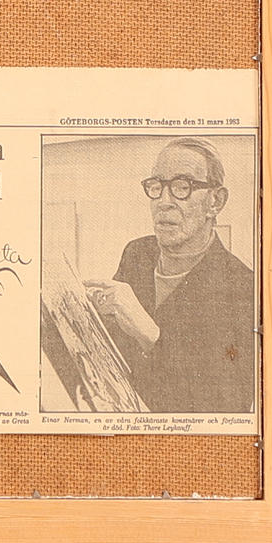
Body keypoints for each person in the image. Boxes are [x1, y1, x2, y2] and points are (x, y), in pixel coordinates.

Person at [85, 137, 255, 413]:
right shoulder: (137, 253)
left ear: (215, 201)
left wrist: (149, 334)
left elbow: (226, 407)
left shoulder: (244, 288)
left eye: (181, 187)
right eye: (156, 186)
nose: (163, 202)